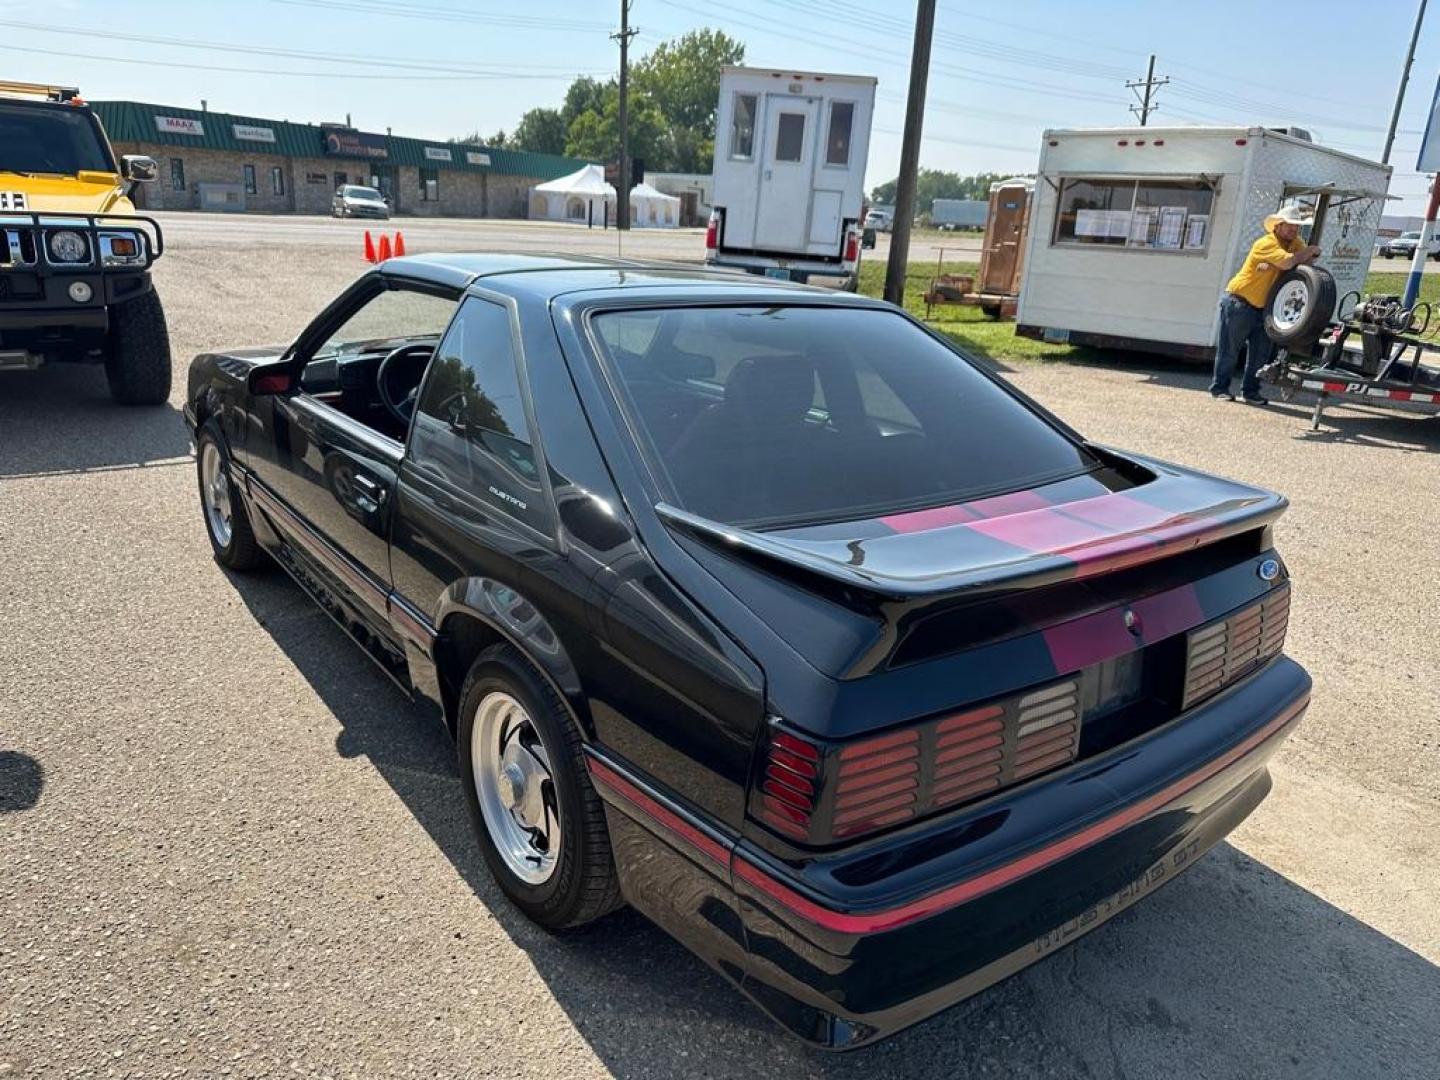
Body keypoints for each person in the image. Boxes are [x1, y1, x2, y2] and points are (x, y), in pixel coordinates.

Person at [1210, 205, 1321, 404]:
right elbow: (1288, 263)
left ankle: (1250, 392)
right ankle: (1220, 388)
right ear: (1277, 226)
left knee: (1260, 354)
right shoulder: (1266, 243)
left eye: (1296, 226)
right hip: (1240, 302)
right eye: (1289, 226)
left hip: (1265, 308)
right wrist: (1310, 251)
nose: (1293, 230)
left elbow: (1306, 265)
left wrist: (1307, 254)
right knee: (1230, 350)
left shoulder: (1295, 243)